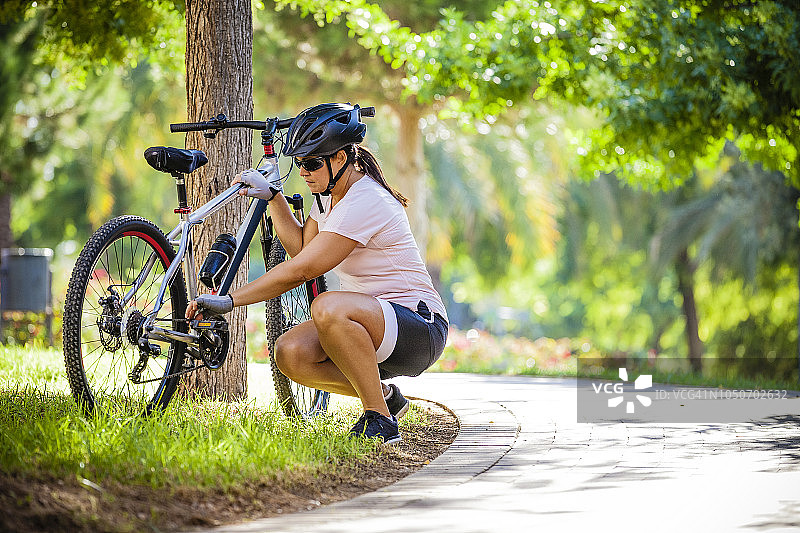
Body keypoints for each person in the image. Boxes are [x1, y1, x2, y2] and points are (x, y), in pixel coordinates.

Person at [185, 103, 448, 444]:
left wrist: (230, 299)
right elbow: (301, 250)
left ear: (341, 158)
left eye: (311, 163)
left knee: (327, 305)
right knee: (289, 352)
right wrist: (274, 199)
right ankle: (384, 398)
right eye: (299, 164)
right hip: (377, 330)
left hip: (419, 329)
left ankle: (380, 421)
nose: (304, 172)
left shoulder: (365, 199)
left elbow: (305, 269)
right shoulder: (328, 198)